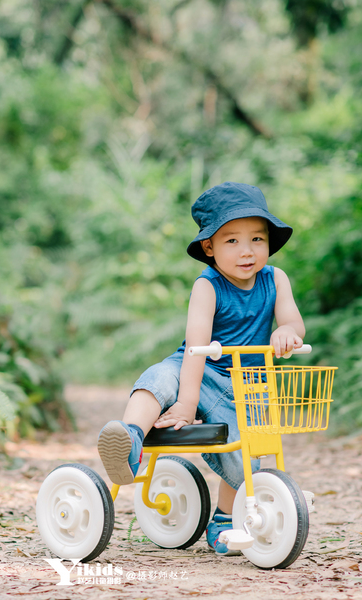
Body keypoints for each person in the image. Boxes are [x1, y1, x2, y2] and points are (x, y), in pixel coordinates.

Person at [97, 181, 305, 556]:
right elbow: (195, 348)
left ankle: (225, 517)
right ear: (209, 247)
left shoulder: (276, 280)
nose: (247, 251)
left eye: (257, 239)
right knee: (158, 378)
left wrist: (287, 333)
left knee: (246, 455)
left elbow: (293, 321)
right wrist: (186, 403)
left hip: (246, 383)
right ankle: (128, 439)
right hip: (199, 369)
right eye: (232, 241)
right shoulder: (207, 286)